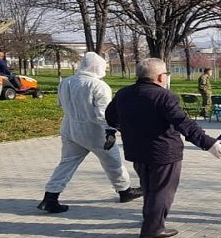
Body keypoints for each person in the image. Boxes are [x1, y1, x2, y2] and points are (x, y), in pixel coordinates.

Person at [105, 58, 221, 238]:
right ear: (160, 77)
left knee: (149, 188)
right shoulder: (164, 95)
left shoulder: (124, 93)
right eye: (166, 73)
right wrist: (208, 143)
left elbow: (110, 116)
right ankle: (153, 228)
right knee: (162, 191)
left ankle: (150, 219)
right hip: (164, 151)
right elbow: (183, 122)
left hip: (137, 150)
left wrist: (128, 129)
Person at [38, 52, 143, 213]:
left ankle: (50, 197)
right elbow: (103, 113)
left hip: (69, 127)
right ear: (97, 67)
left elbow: (60, 103)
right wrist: (110, 130)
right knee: (112, 161)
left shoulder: (65, 82)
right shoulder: (98, 85)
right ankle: (124, 190)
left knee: (67, 163)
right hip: (94, 131)